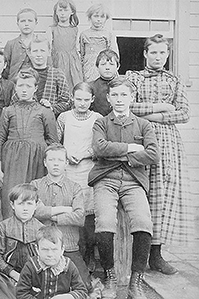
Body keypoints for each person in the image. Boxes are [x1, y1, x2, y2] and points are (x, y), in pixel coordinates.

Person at [126, 33, 193, 275]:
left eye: (162, 52)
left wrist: (156, 116)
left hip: (168, 143)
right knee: (141, 192)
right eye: (153, 52)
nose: (157, 57)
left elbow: (184, 113)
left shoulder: (174, 80)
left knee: (162, 197)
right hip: (141, 138)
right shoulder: (134, 78)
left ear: (167, 54)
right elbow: (129, 105)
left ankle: (156, 256)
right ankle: (135, 256)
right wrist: (161, 107)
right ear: (145, 53)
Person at [88, 77, 159, 299]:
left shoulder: (143, 124)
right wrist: (130, 148)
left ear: (132, 98)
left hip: (133, 180)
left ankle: (135, 282)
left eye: (124, 95)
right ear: (108, 98)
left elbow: (153, 155)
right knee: (105, 222)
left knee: (143, 222)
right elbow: (99, 148)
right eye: (115, 95)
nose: (119, 99)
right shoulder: (101, 122)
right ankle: (110, 277)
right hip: (105, 178)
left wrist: (120, 156)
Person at [32, 144, 92, 294]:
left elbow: (79, 217)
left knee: (84, 286)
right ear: (45, 162)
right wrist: (65, 210)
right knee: (39, 286)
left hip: (69, 247)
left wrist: (51, 215)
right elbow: (35, 210)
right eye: (52, 160)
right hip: (41, 248)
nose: (56, 163)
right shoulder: (35, 185)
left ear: (66, 163)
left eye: (60, 160)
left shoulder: (75, 188)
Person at [0, 70, 57, 218]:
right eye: (21, 85)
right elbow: (1, 139)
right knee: (12, 196)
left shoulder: (44, 111)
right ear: (15, 87)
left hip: (36, 161)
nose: (24, 89)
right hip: (12, 161)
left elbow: (52, 141)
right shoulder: (8, 111)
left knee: (33, 198)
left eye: (29, 86)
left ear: (36, 88)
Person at [57, 82, 102, 271]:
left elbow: (101, 145)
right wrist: (65, 154)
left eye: (86, 100)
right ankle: (69, 256)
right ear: (72, 99)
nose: (82, 103)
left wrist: (85, 154)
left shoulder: (98, 118)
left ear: (92, 100)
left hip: (88, 170)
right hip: (68, 170)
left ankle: (89, 256)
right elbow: (55, 141)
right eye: (78, 99)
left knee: (88, 216)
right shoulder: (64, 117)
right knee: (70, 212)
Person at [16, 226, 88, 299]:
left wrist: (68, 296)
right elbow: (21, 293)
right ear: (37, 249)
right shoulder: (30, 266)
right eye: (45, 249)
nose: (50, 254)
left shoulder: (69, 266)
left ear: (62, 249)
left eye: (54, 249)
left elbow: (82, 291)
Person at [0, 184, 44, 284]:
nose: (25, 208)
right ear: (12, 205)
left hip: (35, 275)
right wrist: (13, 274)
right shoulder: (4, 226)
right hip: (7, 274)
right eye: (21, 204)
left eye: (29, 204)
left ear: (36, 205)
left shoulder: (41, 228)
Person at [26, 36, 71, 117]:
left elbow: (67, 102)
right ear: (29, 52)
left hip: (51, 120)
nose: (39, 54)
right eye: (35, 51)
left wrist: (51, 108)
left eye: (42, 51)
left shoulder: (58, 75)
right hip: (28, 120)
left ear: (49, 52)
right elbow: (15, 101)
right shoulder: (24, 75)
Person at [79, 4, 119, 82]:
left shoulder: (109, 34)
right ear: (90, 17)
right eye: (96, 16)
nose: (99, 19)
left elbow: (114, 53)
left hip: (104, 64)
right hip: (88, 67)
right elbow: (81, 54)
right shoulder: (84, 34)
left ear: (106, 19)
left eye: (102, 17)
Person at [49, 0, 83, 89]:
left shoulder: (75, 29)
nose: (62, 13)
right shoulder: (52, 29)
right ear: (56, 12)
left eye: (65, 10)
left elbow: (78, 48)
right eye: (60, 10)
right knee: (59, 84)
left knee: (74, 85)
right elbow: (48, 48)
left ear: (72, 12)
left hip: (72, 63)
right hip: (57, 61)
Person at [3, 8, 37, 80]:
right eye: (23, 21)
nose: (26, 24)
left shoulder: (41, 43)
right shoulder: (11, 44)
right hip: (15, 83)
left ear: (36, 23)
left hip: (35, 83)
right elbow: (5, 69)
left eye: (30, 21)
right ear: (18, 24)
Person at [88, 49, 119, 116]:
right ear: (97, 67)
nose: (107, 68)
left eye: (111, 64)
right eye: (103, 64)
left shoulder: (123, 86)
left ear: (117, 67)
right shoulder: (91, 87)